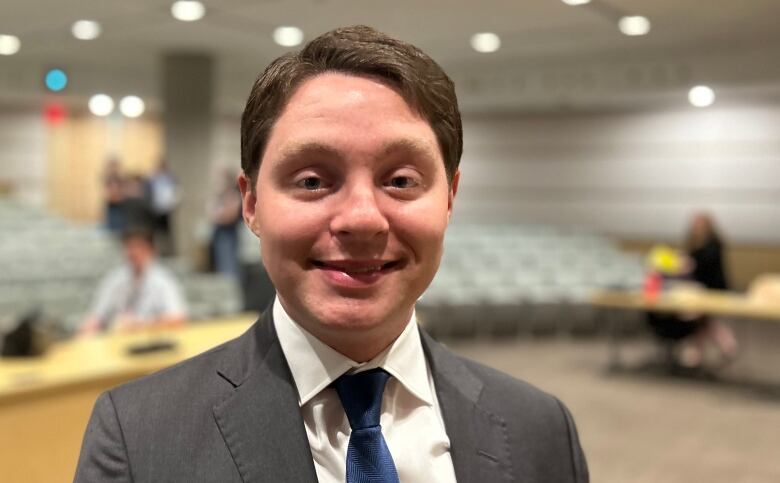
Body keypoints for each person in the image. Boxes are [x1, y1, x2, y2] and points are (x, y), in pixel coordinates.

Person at [75, 26, 588, 482]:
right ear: (250, 203)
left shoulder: (541, 429)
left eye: (401, 180)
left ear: (449, 197)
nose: (362, 219)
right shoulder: (138, 441)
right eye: (314, 180)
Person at [79, 225, 187, 334]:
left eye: (139, 247)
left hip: (153, 340)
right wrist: (86, 330)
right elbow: (96, 316)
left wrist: (140, 324)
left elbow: (177, 319)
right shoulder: (114, 279)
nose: (133, 252)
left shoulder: (163, 281)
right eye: (129, 247)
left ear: (151, 250)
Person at [208, 167, 243, 277]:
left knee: (229, 267)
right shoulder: (220, 196)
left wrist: (219, 217)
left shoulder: (233, 195)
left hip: (228, 234)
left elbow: (231, 215)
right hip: (219, 233)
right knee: (221, 266)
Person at [146, 160, 179, 256]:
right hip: (155, 210)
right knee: (157, 232)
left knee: (167, 232)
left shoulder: (170, 178)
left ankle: (169, 252)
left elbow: (175, 192)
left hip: (167, 210)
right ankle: (158, 252)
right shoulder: (153, 179)